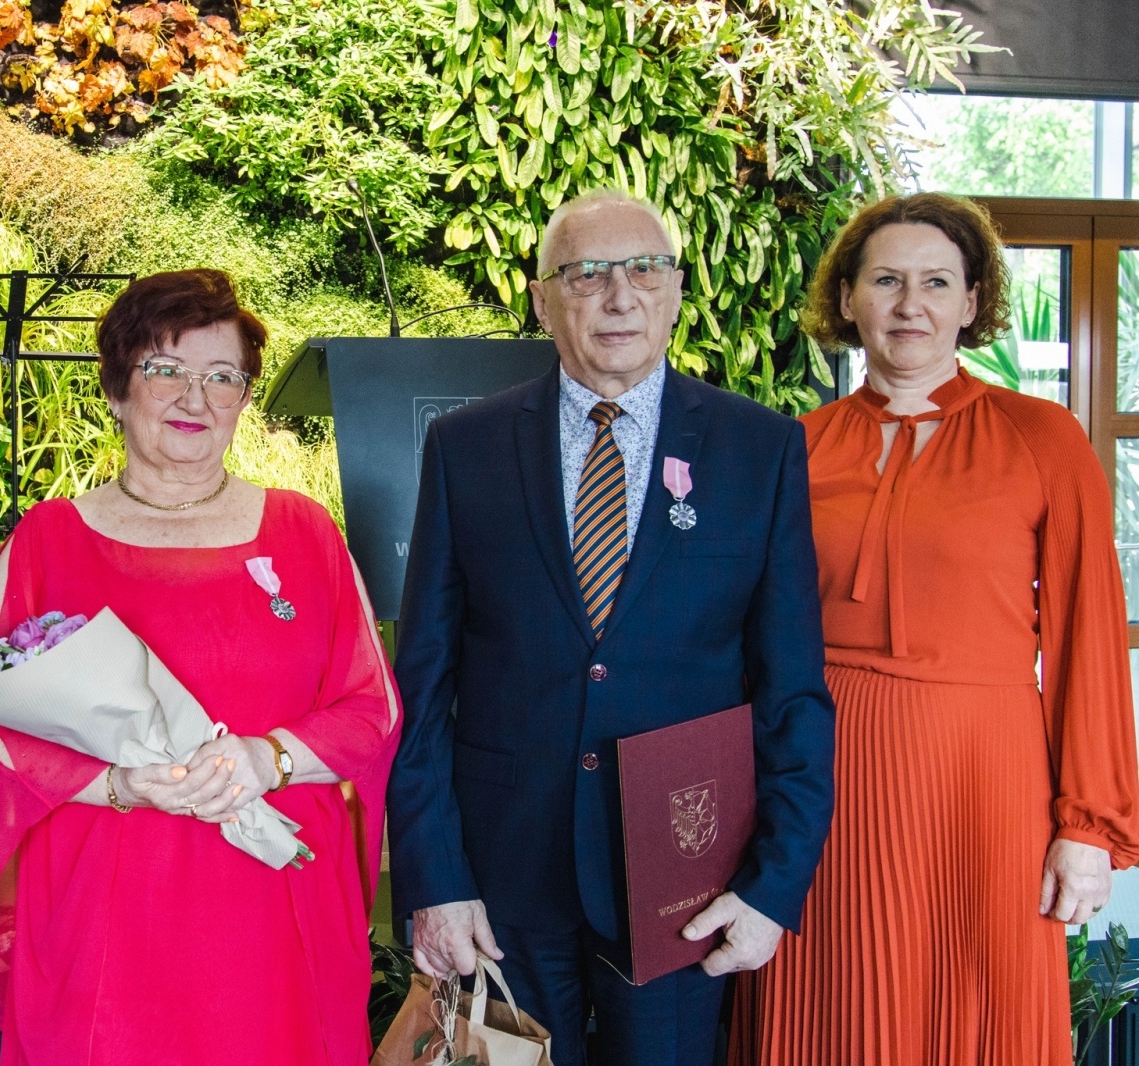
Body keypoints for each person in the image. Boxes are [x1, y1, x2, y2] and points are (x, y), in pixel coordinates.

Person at [387, 188, 836, 1066]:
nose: (619, 296)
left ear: (675, 291)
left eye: (644, 270)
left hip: (683, 882)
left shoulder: (760, 449)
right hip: (504, 883)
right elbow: (423, 683)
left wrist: (774, 889)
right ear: (542, 298)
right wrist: (435, 881)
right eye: (587, 274)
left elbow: (791, 691)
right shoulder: (464, 448)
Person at [0, 268, 401, 1065]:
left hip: (272, 903)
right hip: (103, 906)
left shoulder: (305, 535)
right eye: (167, 370)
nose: (197, 397)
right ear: (118, 389)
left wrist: (270, 756)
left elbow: (373, 710)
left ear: (243, 399)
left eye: (223, 377)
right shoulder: (48, 544)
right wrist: (123, 784)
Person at [735, 193, 1139, 1065]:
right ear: (847, 301)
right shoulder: (789, 449)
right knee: (831, 1006)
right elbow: (742, 642)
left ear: (971, 300)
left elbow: (1089, 639)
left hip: (985, 780)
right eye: (885, 280)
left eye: (935, 282)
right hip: (820, 775)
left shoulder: (1045, 438)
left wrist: (1089, 826)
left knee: (979, 1001)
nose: (909, 304)